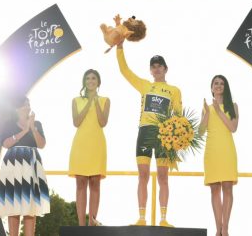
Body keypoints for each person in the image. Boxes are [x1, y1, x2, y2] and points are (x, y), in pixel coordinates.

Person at [116, 42, 182, 227]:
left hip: (164, 136)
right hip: (145, 131)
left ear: (165, 69)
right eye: (153, 66)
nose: (157, 68)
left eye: (159, 65)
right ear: (151, 71)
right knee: (143, 175)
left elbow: (178, 116)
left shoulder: (174, 90)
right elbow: (125, 71)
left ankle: (163, 219)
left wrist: (176, 140)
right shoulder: (144, 85)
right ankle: (142, 218)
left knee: (163, 177)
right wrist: (120, 47)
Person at [0, 96, 50, 236]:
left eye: (29, 103)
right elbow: (6, 144)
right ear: (17, 108)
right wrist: (24, 131)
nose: (28, 106)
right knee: (14, 205)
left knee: (30, 207)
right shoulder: (9, 124)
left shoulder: (37, 124)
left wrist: (32, 128)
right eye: (25, 104)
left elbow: (41, 145)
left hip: (31, 165)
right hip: (13, 164)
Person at [69, 69, 110, 226]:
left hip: (97, 144)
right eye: (88, 78)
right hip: (80, 144)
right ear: (84, 82)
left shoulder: (105, 100)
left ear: (98, 82)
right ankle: (81, 224)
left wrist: (96, 102)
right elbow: (76, 122)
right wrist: (88, 102)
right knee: (80, 182)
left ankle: (92, 221)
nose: (91, 81)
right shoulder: (76, 100)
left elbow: (103, 122)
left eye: (94, 78)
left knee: (95, 182)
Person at [199, 75, 238, 236]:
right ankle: (218, 229)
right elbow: (200, 132)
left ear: (225, 87)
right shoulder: (206, 107)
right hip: (211, 150)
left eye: (222, 83)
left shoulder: (233, 106)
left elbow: (233, 128)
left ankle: (226, 228)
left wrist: (217, 110)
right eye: (216, 83)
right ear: (211, 87)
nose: (219, 86)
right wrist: (208, 112)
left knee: (227, 188)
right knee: (214, 189)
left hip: (227, 149)